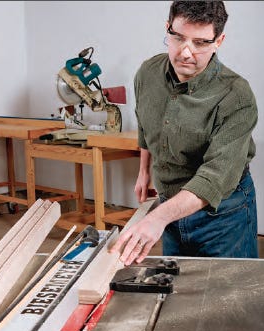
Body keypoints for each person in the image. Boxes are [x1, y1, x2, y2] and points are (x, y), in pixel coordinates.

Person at [110, 1, 258, 265]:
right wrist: (144, 171)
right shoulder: (147, 73)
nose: (186, 53)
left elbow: (214, 179)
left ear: (219, 41)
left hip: (223, 214)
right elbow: (145, 124)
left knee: (227, 297)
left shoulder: (237, 96)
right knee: (177, 292)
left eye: (200, 43)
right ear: (167, 29)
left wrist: (156, 218)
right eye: (177, 38)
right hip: (171, 209)